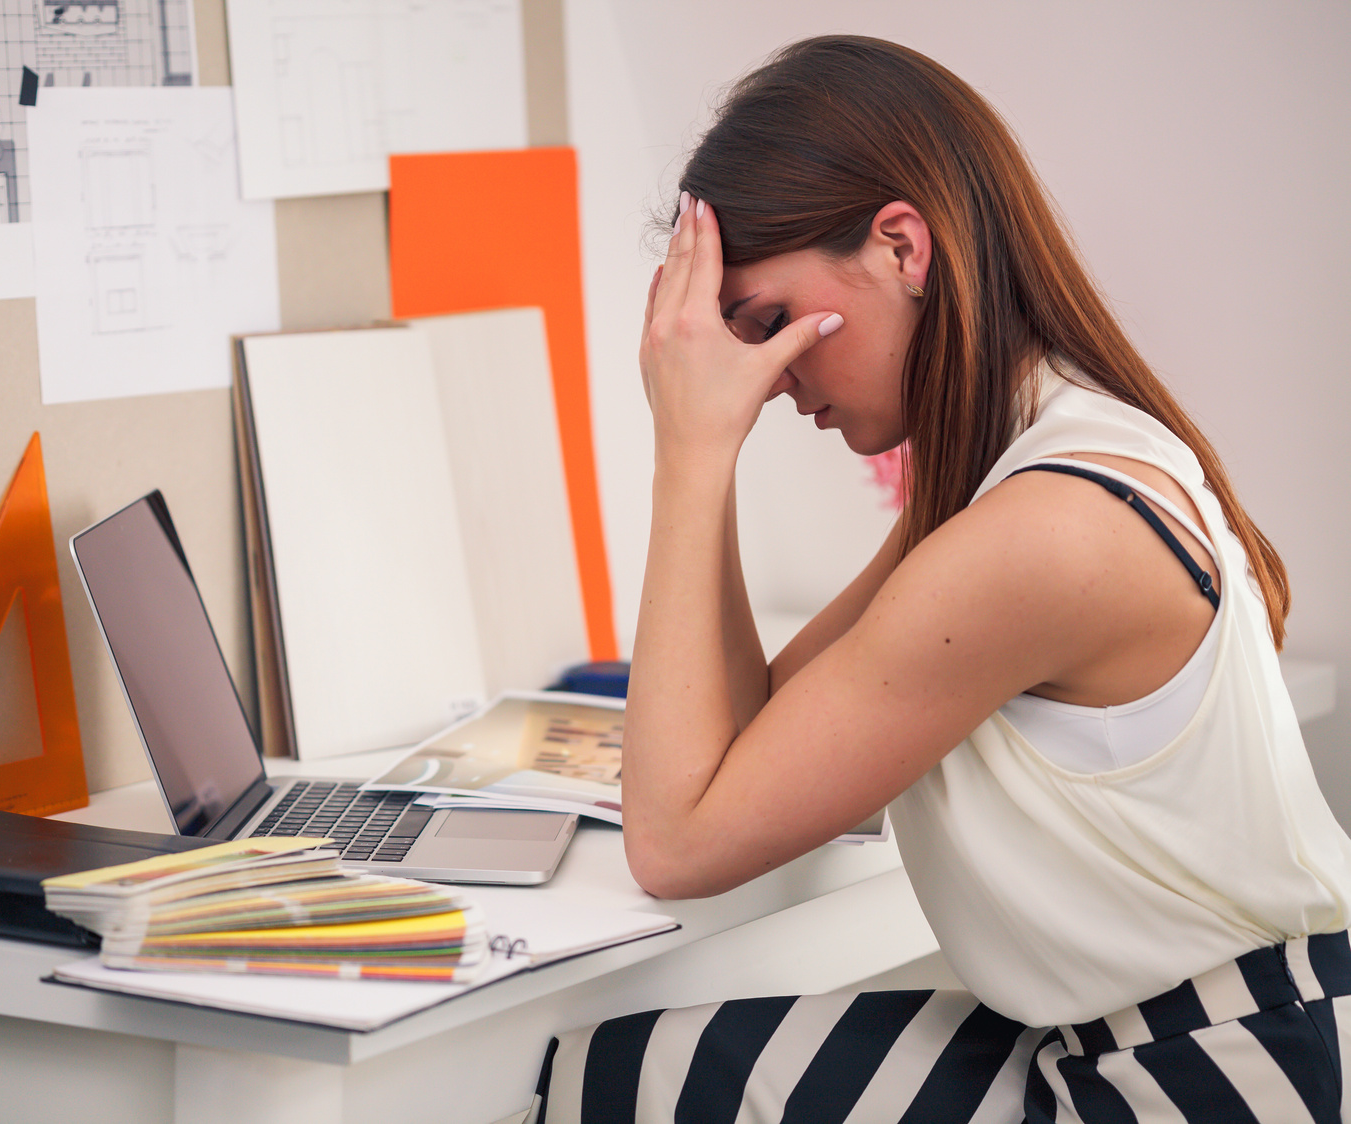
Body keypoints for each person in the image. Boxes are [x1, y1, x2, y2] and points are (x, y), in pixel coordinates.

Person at [531, 34, 1351, 1124]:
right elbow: (748, 739)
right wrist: (706, 447)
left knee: (632, 1085)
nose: (762, 382)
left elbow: (677, 839)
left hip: (1214, 1075)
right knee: (641, 1065)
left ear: (900, 247)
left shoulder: (1038, 534)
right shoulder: (1013, 471)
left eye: (767, 325)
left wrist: (686, 456)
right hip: (1119, 1037)